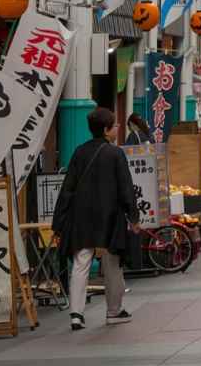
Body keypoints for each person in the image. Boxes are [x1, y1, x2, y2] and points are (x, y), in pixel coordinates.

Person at [53, 106, 138, 331]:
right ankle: (114, 311)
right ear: (106, 129)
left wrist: (59, 221)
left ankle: (76, 314)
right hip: (110, 217)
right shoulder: (116, 154)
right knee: (113, 264)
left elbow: (68, 188)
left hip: (81, 218)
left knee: (81, 263)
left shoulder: (79, 152)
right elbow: (126, 188)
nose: (118, 127)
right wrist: (134, 216)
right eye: (115, 125)